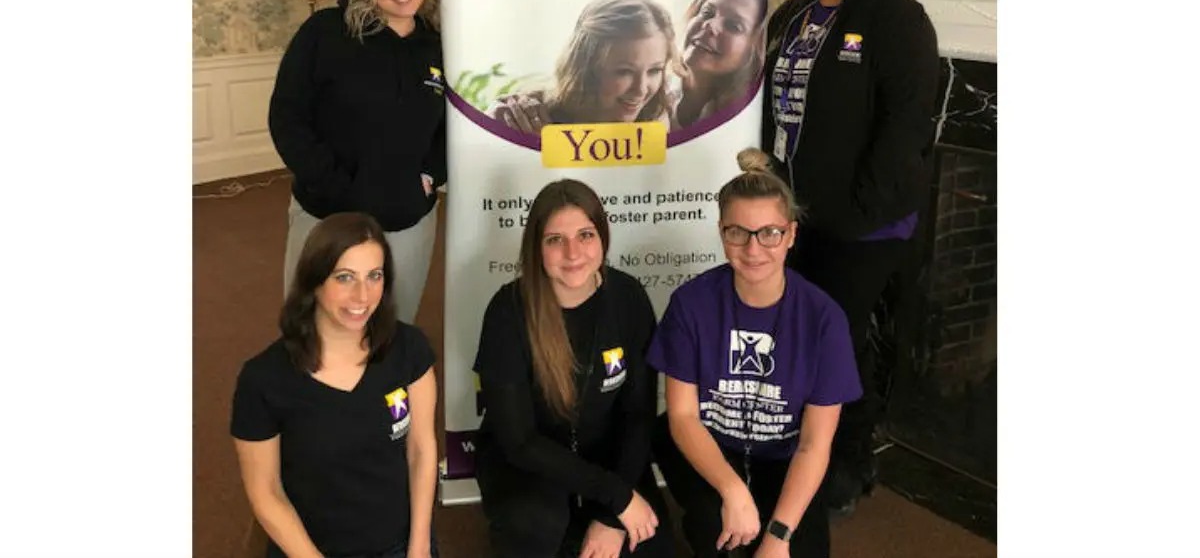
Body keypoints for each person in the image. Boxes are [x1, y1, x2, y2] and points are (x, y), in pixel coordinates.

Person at [762, 0, 940, 515]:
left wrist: (856, 210)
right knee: (799, 333)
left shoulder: (895, 16)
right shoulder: (791, 16)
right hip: (793, 217)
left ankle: (847, 465)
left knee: (837, 340)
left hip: (864, 223)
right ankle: (800, 452)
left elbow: (906, 125)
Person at [647, 149, 861, 558]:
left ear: (791, 235)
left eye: (769, 233)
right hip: (710, 444)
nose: (753, 248)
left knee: (796, 547)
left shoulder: (823, 318)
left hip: (786, 452)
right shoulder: (691, 304)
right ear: (721, 232)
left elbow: (814, 444)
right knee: (718, 532)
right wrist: (732, 491)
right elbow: (683, 416)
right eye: (737, 232)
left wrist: (778, 536)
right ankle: (709, 516)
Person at [473, 180, 673, 558]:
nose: (573, 253)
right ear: (536, 247)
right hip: (529, 463)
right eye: (554, 240)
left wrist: (611, 517)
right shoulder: (508, 310)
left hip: (608, 456)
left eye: (585, 235)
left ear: (603, 237)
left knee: (651, 548)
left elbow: (638, 415)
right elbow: (519, 441)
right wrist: (618, 498)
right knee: (536, 524)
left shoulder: (628, 297)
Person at [232, 212, 439, 558]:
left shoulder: (409, 349)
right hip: (310, 549)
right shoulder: (263, 380)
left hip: (398, 544)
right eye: (344, 277)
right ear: (315, 282)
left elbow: (421, 450)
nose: (362, 296)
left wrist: (419, 547)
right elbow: (266, 492)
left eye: (374, 276)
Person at [269, 0, 444, 325]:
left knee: (392, 330)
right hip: (327, 215)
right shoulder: (325, 33)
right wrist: (337, 188)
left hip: (407, 219)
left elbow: (448, 126)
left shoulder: (436, 44)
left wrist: (431, 176)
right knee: (312, 330)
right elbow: (288, 118)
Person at [488, 0, 679, 133]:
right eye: (624, 72)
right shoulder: (524, 119)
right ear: (587, 67)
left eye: (654, 70)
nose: (641, 90)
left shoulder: (655, 114)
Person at [673, 0, 767, 129]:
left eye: (733, 26)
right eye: (707, 13)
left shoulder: (747, 124)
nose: (709, 25)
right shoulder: (647, 94)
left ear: (755, 49)